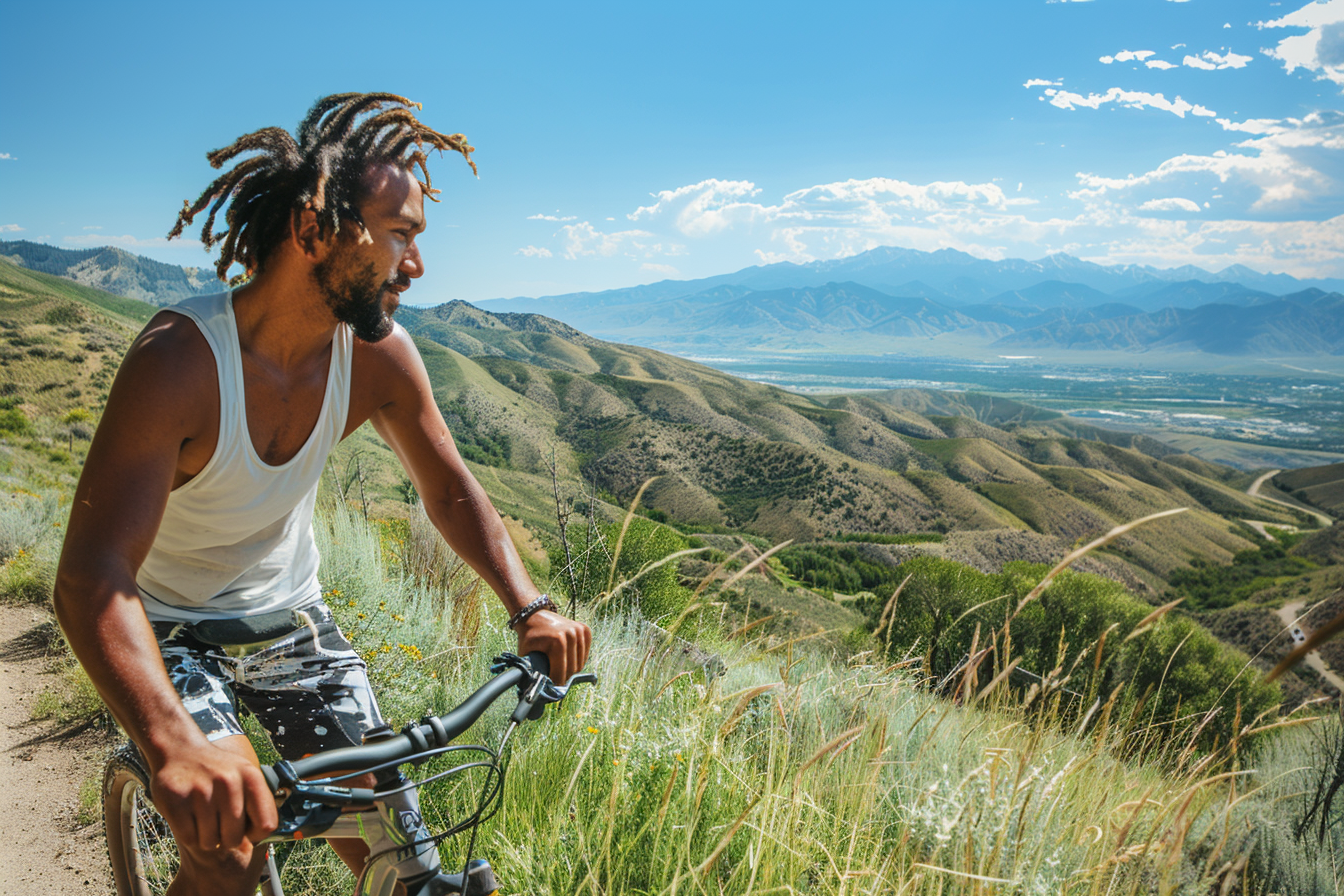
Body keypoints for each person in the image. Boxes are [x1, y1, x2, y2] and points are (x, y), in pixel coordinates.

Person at [53, 92, 591, 896]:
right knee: (229, 852)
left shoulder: (378, 356)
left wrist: (528, 605)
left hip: (290, 619)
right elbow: (92, 576)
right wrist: (172, 741)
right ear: (313, 232)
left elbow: (448, 489)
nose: (416, 264)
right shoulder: (178, 362)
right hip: (167, 625)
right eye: (400, 234)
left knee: (406, 862)